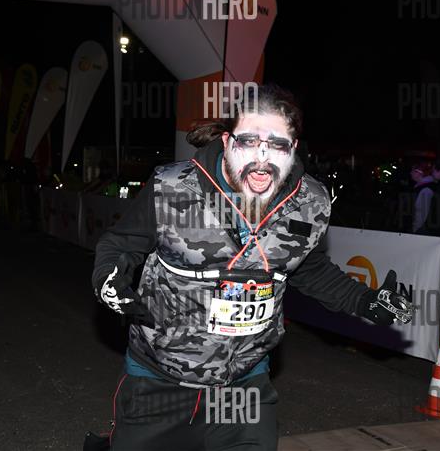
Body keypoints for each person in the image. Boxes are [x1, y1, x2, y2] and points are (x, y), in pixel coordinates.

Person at [90, 85, 413, 451]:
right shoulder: (172, 188)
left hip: (243, 385)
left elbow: (306, 267)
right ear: (227, 141)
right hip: (160, 381)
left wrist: (364, 301)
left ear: (293, 148)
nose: (262, 158)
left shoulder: (311, 202)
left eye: (277, 145)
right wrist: (109, 277)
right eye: (248, 142)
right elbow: (120, 244)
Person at [410, 161, 436, 234]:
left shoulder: (425, 190)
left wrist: (415, 230)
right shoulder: (420, 187)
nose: (411, 173)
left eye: (413, 171)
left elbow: (421, 214)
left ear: (420, 173)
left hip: (421, 231)